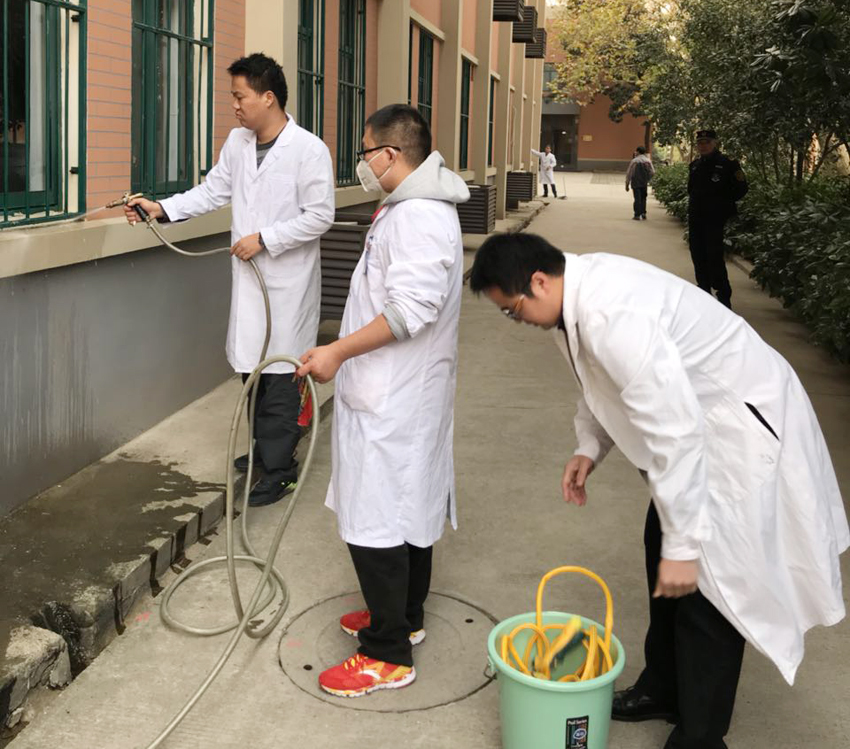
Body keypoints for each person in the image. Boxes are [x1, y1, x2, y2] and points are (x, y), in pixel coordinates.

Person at [468, 232, 848, 749]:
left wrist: (686, 547)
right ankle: (664, 687)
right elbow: (601, 382)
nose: (517, 322)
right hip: (698, 430)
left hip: (736, 431)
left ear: (538, 281)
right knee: (661, 549)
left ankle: (700, 736)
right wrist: (589, 447)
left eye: (512, 310)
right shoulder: (572, 298)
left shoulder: (611, 314)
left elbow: (677, 432)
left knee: (708, 594)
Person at [296, 104, 469, 698]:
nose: (363, 163)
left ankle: (387, 653)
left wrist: (337, 351)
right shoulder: (408, 207)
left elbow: (409, 310)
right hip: (400, 393)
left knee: (376, 520)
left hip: (395, 397)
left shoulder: (418, 215)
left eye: (366, 151)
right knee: (406, 508)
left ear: (391, 155)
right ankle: (405, 616)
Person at [124, 54, 335, 507]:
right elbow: (213, 190)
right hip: (250, 284)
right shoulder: (239, 143)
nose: (234, 106)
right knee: (252, 372)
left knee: (280, 377)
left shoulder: (308, 149)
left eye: (240, 97)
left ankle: (280, 470)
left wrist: (266, 239)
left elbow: (320, 216)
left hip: (287, 287)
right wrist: (163, 208)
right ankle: (264, 450)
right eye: (233, 97)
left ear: (268, 97)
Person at [688, 129, 748, 309]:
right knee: (698, 255)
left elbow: (741, 188)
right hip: (696, 217)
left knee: (714, 256)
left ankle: (723, 296)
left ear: (715, 143)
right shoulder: (695, 165)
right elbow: (691, 190)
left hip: (715, 218)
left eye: (707, 142)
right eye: (700, 143)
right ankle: (703, 293)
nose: (703, 146)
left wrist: (722, 205)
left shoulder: (728, 164)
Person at [626, 145, 655, 220]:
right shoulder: (648, 161)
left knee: (637, 198)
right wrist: (649, 179)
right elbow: (652, 172)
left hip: (635, 182)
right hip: (644, 182)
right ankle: (643, 213)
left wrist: (627, 183)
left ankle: (637, 215)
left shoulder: (634, 161)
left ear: (638, 152)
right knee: (643, 198)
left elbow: (629, 173)